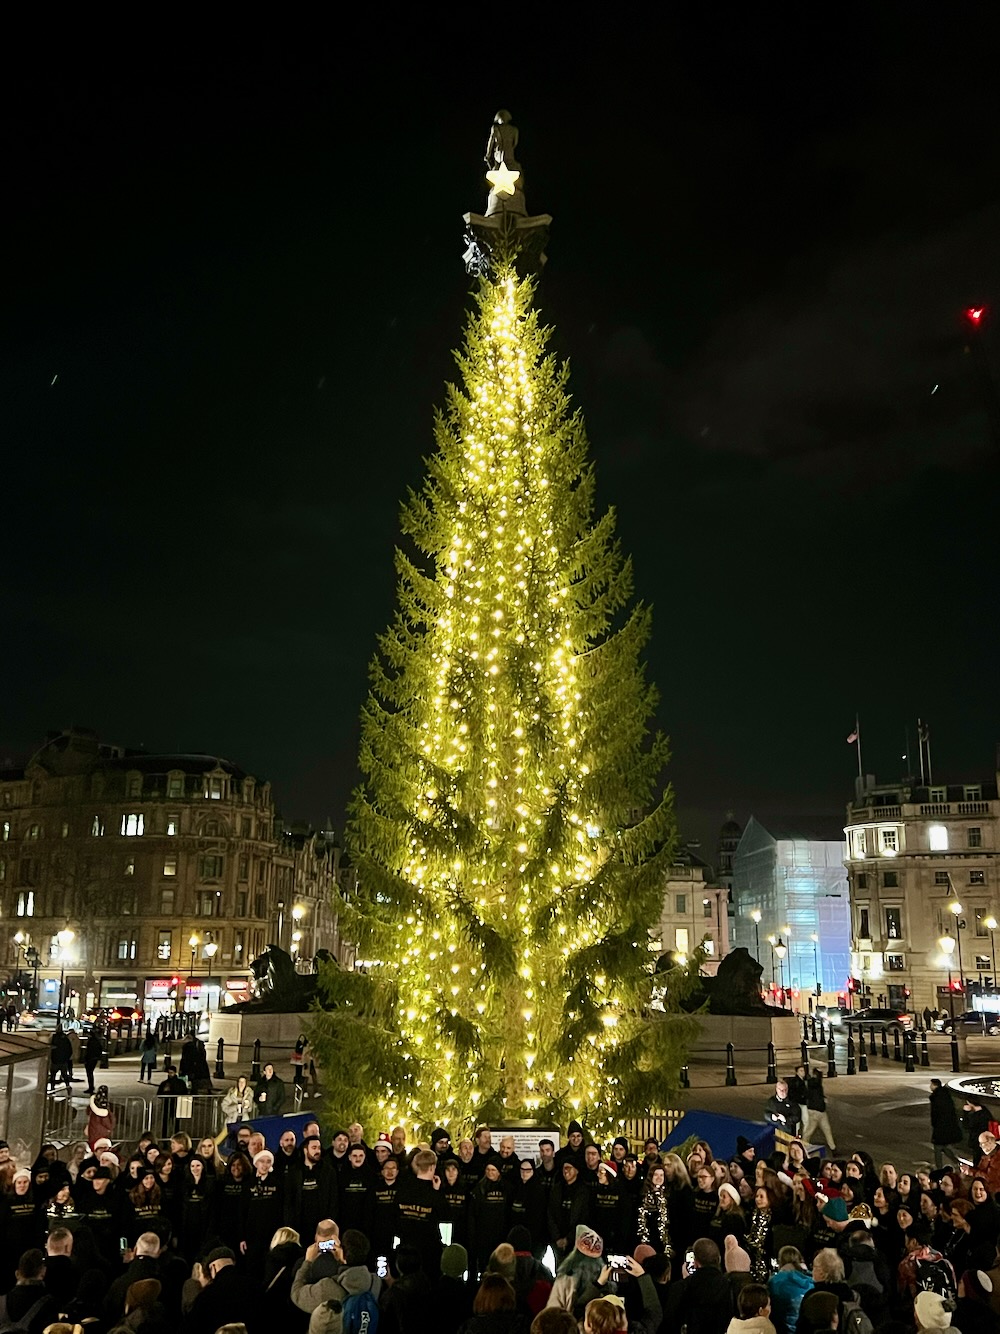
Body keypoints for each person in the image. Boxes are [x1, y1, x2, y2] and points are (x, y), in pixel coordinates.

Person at [156, 1065, 187, 1138]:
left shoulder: (180, 1083)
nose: (170, 1074)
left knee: (176, 1123)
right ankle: (164, 1138)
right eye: (169, 1073)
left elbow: (184, 1093)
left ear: (175, 1073)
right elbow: (159, 1094)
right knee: (165, 1123)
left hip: (176, 1104)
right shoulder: (164, 1083)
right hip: (167, 1105)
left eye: (171, 1073)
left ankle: (176, 1138)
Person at [83, 1025, 106, 1095]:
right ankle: (91, 1087)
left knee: (89, 1073)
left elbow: (90, 1051)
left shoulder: (92, 1041)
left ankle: (91, 1087)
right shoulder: (96, 1041)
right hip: (93, 1058)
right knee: (90, 1073)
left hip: (91, 1059)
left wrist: (87, 1058)